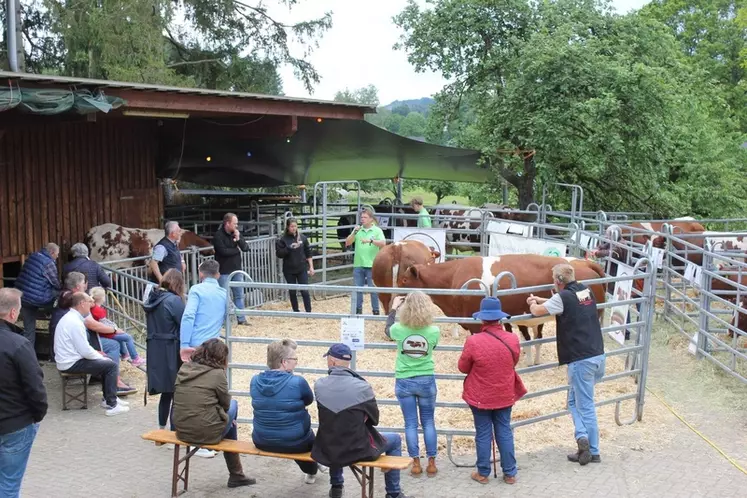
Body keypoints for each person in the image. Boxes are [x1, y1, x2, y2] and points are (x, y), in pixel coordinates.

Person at [527, 263, 606, 465]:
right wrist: (544, 299)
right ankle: (584, 441)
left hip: (581, 360)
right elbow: (561, 302)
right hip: (597, 355)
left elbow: (538, 312)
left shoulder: (563, 298)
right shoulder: (584, 291)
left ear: (557, 281)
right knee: (575, 403)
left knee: (585, 406)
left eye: (554, 279)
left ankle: (591, 447)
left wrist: (532, 303)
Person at [312, 344, 412, 498]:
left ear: (332, 361)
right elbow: (375, 420)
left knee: (334, 431)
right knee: (396, 439)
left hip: (327, 449)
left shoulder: (319, 385)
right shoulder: (363, 387)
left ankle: (336, 486)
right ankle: (393, 493)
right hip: (359, 449)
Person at [458, 297, 526, 485]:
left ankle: (483, 472)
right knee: (504, 430)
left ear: (482, 319)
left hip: (480, 395)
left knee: (483, 432)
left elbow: (463, 367)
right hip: (504, 392)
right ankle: (510, 473)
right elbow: (513, 362)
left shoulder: (473, 341)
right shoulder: (512, 339)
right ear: (499, 319)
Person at [172, 339, 255, 488]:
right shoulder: (217, 374)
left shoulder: (184, 369)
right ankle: (236, 473)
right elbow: (226, 404)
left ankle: (237, 473)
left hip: (182, 430)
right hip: (206, 432)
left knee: (228, 418)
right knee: (234, 406)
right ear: (221, 357)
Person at [50, 272, 136, 395]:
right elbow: (92, 324)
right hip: (72, 352)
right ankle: (114, 384)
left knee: (108, 346)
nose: (86, 285)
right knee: (113, 345)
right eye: (84, 282)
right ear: (78, 286)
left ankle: (103, 379)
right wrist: (114, 330)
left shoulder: (63, 296)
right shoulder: (79, 302)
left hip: (65, 348)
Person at [0, 288, 48, 498]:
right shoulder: (19, 344)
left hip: (14, 421)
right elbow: (35, 387)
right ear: (13, 314)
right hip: (15, 423)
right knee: (9, 483)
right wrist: (37, 415)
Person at [250, 339, 319, 484]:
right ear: (284, 362)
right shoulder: (298, 382)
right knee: (300, 437)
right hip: (295, 442)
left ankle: (314, 468)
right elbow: (309, 400)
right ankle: (313, 469)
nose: (296, 362)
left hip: (261, 440)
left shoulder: (254, 380)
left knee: (290, 431)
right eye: (294, 359)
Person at [388, 292, 440, 477]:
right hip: (426, 378)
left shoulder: (399, 329)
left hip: (404, 379)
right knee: (428, 422)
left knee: (410, 423)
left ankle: (416, 463)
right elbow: (432, 348)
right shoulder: (434, 331)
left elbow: (387, 330)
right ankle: (432, 462)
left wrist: (393, 307)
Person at [54, 292, 129, 416]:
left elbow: (83, 348)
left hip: (70, 359)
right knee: (110, 365)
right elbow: (85, 351)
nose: (91, 304)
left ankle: (109, 399)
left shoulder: (72, 318)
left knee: (108, 361)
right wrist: (100, 356)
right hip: (71, 363)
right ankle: (112, 405)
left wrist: (98, 354)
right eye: (89, 301)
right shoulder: (75, 323)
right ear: (82, 304)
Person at [144, 269, 186, 432]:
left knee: (166, 392)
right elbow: (183, 322)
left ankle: (162, 428)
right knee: (176, 390)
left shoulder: (153, 299)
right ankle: (174, 431)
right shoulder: (174, 300)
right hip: (171, 347)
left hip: (155, 347)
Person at [14, 242, 61, 347]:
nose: (57, 257)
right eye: (57, 254)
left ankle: (27, 356)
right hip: (38, 299)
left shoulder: (33, 256)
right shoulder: (49, 263)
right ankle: (54, 318)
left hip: (23, 297)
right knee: (60, 295)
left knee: (28, 330)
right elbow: (55, 283)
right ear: (52, 252)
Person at [179, 260, 227, 362]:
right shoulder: (224, 293)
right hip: (214, 345)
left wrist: (184, 344)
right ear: (218, 275)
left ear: (201, 274)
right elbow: (231, 314)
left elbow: (189, 315)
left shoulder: (196, 290)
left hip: (196, 344)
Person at [89, 287, 145, 367]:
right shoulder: (98, 310)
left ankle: (124, 354)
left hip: (101, 332)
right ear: (102, 298)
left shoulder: (93, 308)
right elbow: (104, 323)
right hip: (105, 333)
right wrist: (115, 329)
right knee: (128, 337)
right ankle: (135, 358)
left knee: (121, 337)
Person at [345, 207, 386, 315]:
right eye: (361, 217)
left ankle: (375, 310)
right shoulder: (357, 230)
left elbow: (383, 243)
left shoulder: (377, 230)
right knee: (358, 289)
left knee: (373, 290)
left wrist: (371, 240)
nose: (362, 219)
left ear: (371, 219)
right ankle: (358, 310)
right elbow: (347, 243)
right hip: (358, 264)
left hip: (372, 264)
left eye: (365, 217)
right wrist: (354, 233)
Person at [213, 213, 250, 325]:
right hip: (223, 271)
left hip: (237, 270)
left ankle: (241, 319)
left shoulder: (236, 234)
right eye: (235, 223)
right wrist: (236, 250)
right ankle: (225, 321)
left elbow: (245, 248)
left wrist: (238, 240)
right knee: (224, 297)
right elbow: (223, 251)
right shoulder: (218, 236)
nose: (236, 226)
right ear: (227, 223)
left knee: (239, 295)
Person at [275, 218, 314, 313]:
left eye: (295, 226)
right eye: (292, 226)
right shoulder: (283, 240)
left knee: (304, 290)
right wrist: (289, 248)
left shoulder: (303, 238)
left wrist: (311, 267)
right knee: (292, 291)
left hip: (301, 268)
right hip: (289, 269)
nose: (294, 228)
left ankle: (308, 311)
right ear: (288, 227)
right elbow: (279, 254)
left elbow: (308, 253)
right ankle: (296, 310)